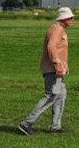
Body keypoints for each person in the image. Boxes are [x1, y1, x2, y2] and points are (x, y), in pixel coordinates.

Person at [19, 7, 75, 135]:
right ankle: (26, 123)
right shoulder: (56, 30)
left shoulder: (59, 29)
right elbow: (51, 47)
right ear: (64, 18)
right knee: (51, 96)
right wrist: (57, 64)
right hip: (53, 69)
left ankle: (56, 126)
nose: (73, 20)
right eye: (71, 17)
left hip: (57, 69)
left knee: (60, 95)